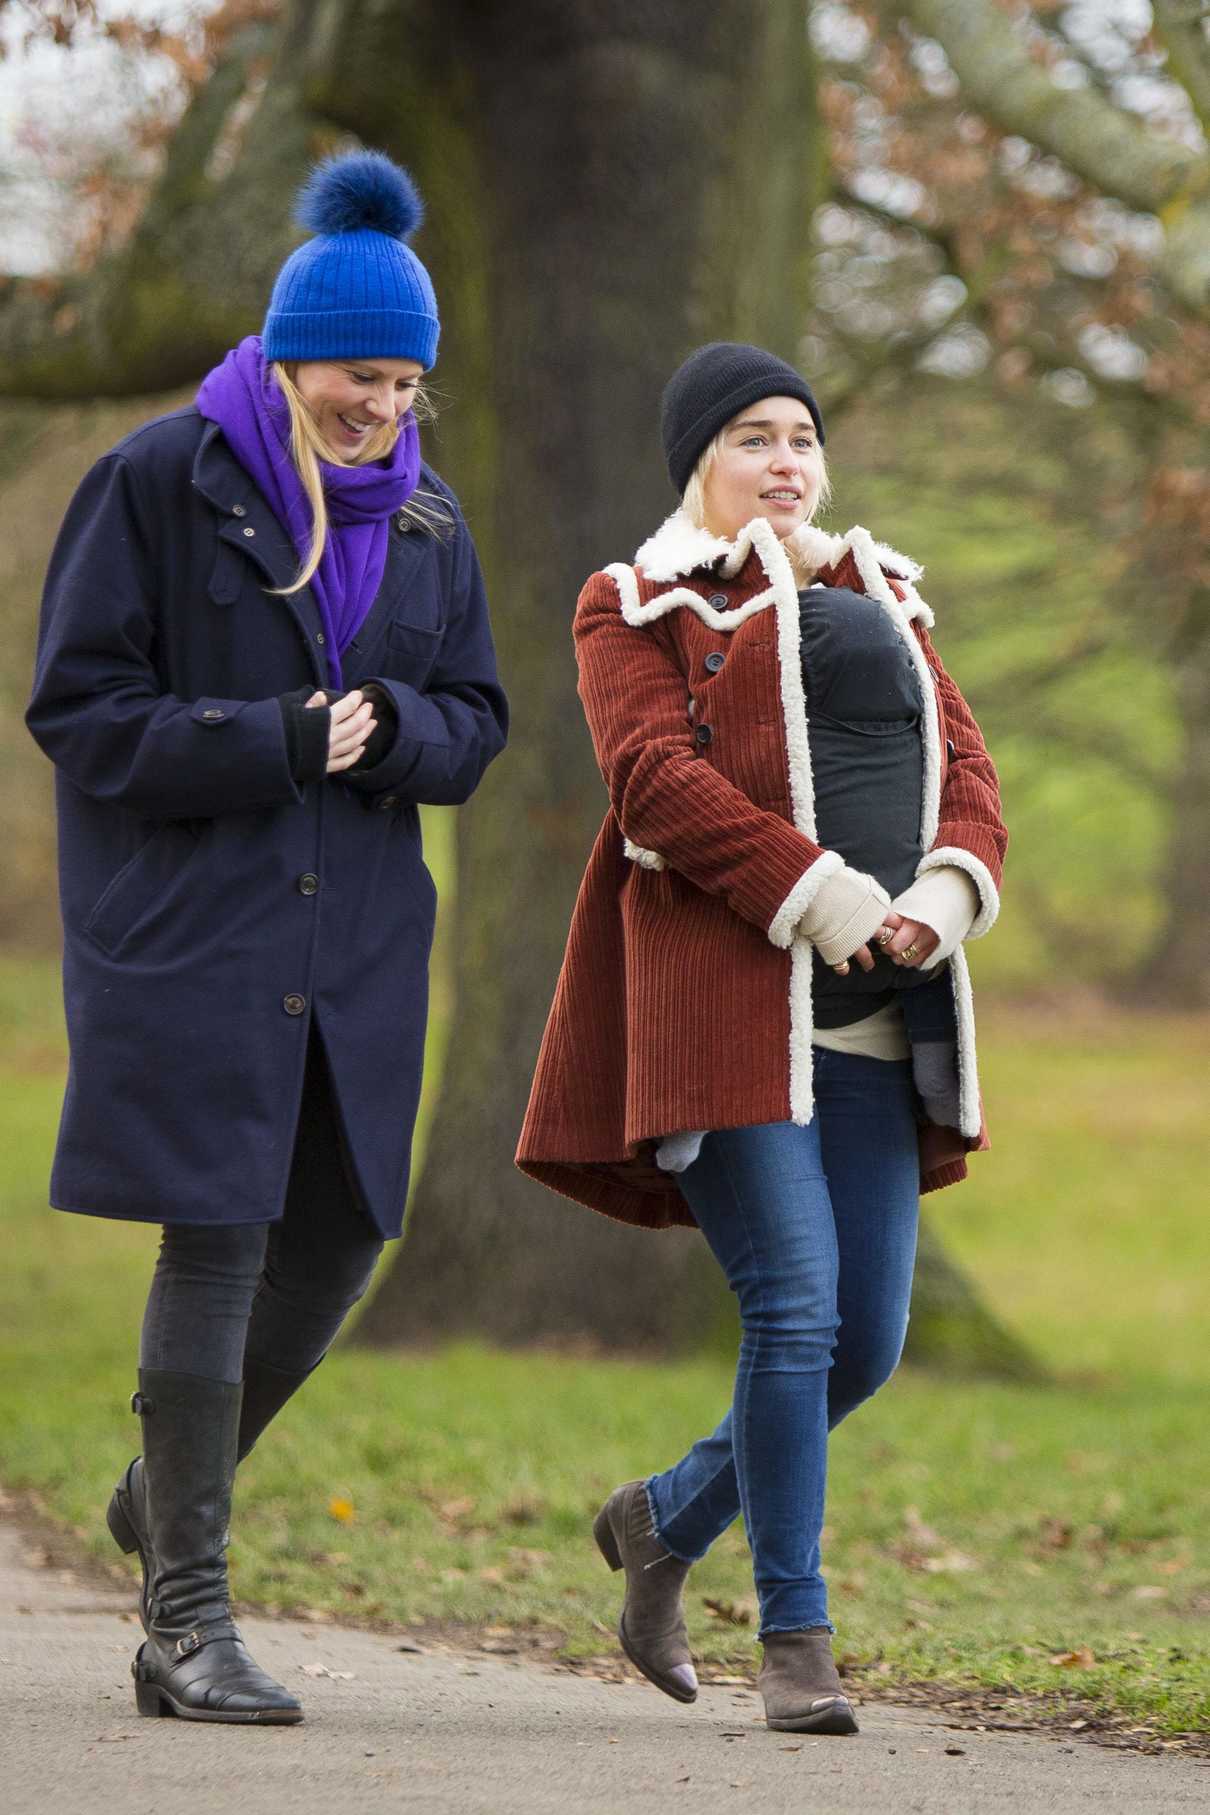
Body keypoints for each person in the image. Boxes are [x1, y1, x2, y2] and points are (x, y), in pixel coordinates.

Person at [27, 151, 507, 1725]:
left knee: (346, 1233)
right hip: (194, 930)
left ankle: (161, 1493)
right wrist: (277, 736)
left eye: (408, 380)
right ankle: (185, 1620)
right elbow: (82, 716)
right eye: (365, 376)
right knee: (218, 1234)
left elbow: (475, 720)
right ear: (294, 354)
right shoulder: (159, 482)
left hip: (361, 939)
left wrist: (400, 737)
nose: (387, 407)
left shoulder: (431, 522)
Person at [517, 342, 1005, 1735]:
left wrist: (936, 896)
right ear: (698, 468)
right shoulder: (635, 601)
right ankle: (796, 1639)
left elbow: (967, 771)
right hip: (726, 1018)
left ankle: (663, 1522)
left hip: (875, 1026)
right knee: (791, 1309)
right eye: (750, 439)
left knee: (864, 1346)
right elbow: (649, 783)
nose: (785, 460)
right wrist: (824, 896)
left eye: (801, 436)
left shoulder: (888, 595)